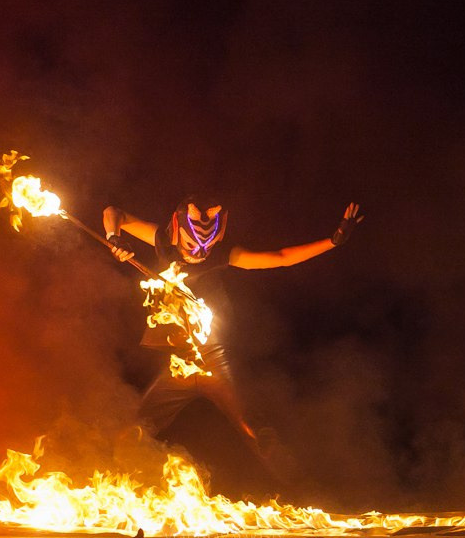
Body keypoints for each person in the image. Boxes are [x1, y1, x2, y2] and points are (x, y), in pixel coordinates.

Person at [103, 197, 362, 469]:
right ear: (177, 232)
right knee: (139, 426)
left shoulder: (224, 255)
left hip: (212, 359)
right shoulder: (162, 240)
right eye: (193, 245)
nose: (200, 253)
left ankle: (301, 485)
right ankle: (118, 476)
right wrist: (114, 239)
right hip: (178, 365)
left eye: (208, 246)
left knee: (254, 430)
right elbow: (114, 212)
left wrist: (332, 241)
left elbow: (280, 257)